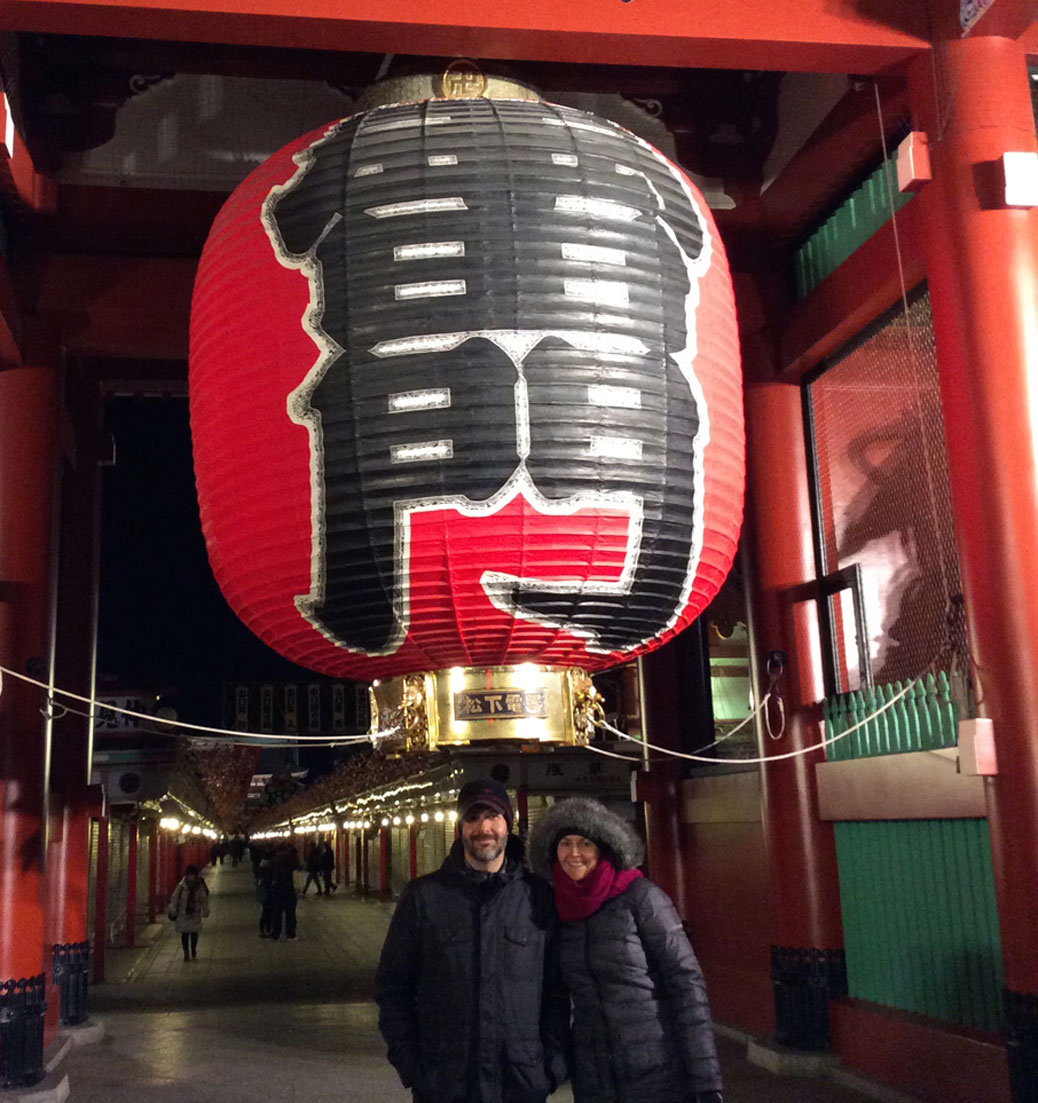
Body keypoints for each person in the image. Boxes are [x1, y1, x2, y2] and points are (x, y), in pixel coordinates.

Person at [375, 778, 570, 1103]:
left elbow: (557, 991)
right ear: (460, 827)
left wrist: (550, 1068)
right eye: (473, 817)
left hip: (520, 1085)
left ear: (508, 824)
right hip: (444, 1085)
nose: (484, 827)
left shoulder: (538, 898)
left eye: (493, 816)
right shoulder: (424, 898)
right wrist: (412, 1066)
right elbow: (392, 987)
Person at [527, 798, 723, 1103]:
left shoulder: (641, 898)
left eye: (585, 843)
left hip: (656, 1070)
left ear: (604, 848)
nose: (574, 853)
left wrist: (705, 1080)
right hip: (593, 1077)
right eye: (565, 843)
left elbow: (686, 983)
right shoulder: (557, 909)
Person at [167, 864, 211, 962]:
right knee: (185, 934)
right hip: (183, 914)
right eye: (189, 875)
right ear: (186, 875)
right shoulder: (181, 886)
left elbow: (203, 899)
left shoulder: (199, 886)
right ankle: (186, 952)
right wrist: (172, 910)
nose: (191, 877)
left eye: (193, 875)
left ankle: (193, 949)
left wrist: (205, 909)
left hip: (195, 913)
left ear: (196, 875)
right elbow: (175, 899)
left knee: (194, 933)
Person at [269, 841, 299, 940]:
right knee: (290, 912)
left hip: (277, 888)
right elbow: (297, 869)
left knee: (277, 911)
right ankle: (290, 932)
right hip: (289, 888)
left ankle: (275, 933)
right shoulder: (291, 860)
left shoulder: (275, 861)